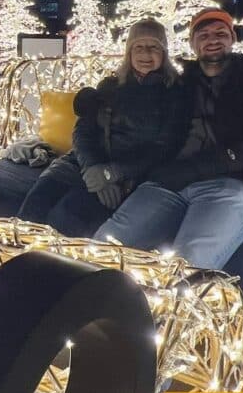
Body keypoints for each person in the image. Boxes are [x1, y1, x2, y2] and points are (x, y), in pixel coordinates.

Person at [94, 7, 243, 270]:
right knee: (105, 248)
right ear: (193, 43)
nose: (212, 39)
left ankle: (175, 310)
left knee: (185, 267)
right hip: (173, 182)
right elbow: (136, 94)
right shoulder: (182, 82)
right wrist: (95, 98)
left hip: (239, 183)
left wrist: (196, 167)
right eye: (203, 35)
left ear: (232, 38)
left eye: (220, 33)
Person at [17, 19, 189, 237]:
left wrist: (112, 173)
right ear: (129, 52)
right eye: (139, 46)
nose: (146, 53)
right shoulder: (110, 86)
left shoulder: (174, 92)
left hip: (126, 172)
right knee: (31, 213)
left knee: (66, 219)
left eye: (153, 46)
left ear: (163, 53)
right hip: (83, 163)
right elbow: (82, 131)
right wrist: (92, 167)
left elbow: (166, 148)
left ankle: (53, 269)